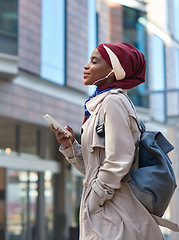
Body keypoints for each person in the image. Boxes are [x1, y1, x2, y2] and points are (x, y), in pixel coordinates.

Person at [51, 43, 164, 240]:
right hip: (107, 213)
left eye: (94, 61)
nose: (86, 66)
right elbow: (94, 168)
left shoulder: (113, 102)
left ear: (114, 70)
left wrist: (94, 199)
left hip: (116, 216)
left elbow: (119, 159)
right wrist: (71, 146)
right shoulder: (100, 105)